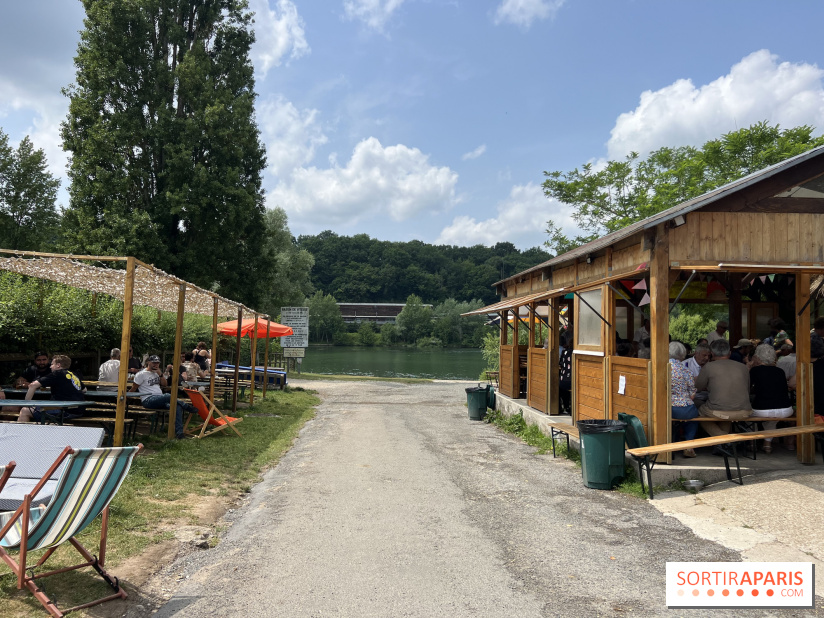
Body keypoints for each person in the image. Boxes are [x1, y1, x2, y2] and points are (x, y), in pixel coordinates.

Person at [694, 339, 751, 437]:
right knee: (725, 412)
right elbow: (747, 389)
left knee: (697, 412)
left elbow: (697, 388)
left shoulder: (708, 367)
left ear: (712, 353)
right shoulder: (743, 367)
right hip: (745, 411)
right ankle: (723, 445)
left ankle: (724, 439)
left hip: (719, 411)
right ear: (729, 353)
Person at [130, 355, 194, 440]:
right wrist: (127, 397)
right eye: (154, 363)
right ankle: (186, 406)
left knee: (177, 407)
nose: (156, 365)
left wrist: (160, 375)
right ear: (148, 362)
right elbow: (134, 388)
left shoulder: (157, 373)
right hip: (148, 400)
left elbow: (165, 384)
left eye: (157, 363)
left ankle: (179, 434)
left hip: (160, 399)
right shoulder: (141, 374)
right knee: (168, 396)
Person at [749, 345, 794, 453]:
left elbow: (747, 388)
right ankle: (767, 444)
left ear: (757, 357)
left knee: (746, 414)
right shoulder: (780, 371)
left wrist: (749, 366)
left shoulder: (755, 370)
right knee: (772, 415)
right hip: (785, 409)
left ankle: (751, 443)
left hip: (763, 409)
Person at [17, 355, 86, 423]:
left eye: (52, 364)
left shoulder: (57, 373)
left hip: (64, 411)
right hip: (79, 410)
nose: (50, 366)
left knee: (25, 410)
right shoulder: (73, 374)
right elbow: (84, 389)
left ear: (58, 365)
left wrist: (26, 404)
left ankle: (21, 433)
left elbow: (33, 385)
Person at [669, 342, 699, 458]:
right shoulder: (687, 371)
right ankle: (688, 446)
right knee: (693, 418)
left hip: (667, 408)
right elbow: (692, 395)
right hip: (686, 409)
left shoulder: (660, 369)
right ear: (683, 354)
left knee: (672, 422)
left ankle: (671, 444)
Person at [558, 333, 572, 414]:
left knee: (560, 387)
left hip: (563, 381)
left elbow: (560, 364)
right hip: (573, 381)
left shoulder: (565, 352)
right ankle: (568, 406)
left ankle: (565, 406)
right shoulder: (576, 354)